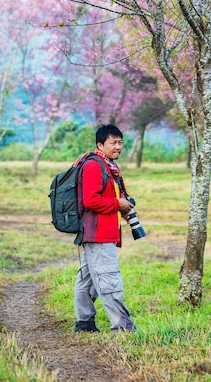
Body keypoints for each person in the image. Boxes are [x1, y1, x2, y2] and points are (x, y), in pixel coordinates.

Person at [73, 123, 136, 333]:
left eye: (120, 142)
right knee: (109, 280)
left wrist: (122, 207)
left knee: (88, 281)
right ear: (100, 144)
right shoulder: (94, 165)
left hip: (98, 232)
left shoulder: (107, 165)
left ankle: (84, 323)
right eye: (113, 142)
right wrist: (118, 204)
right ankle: (123, 328)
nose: (118, 146)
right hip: (97, 233)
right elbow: (91, 200)